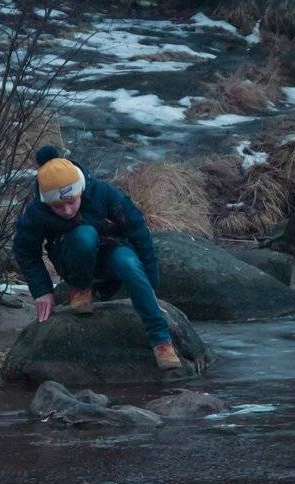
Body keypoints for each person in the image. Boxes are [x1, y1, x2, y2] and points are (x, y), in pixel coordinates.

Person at [11, 145, 182, 370]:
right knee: (85, 234)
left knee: (130, 265)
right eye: (58, 206)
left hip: (111, 248)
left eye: (71, 201)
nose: (67, 211)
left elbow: (138, 231)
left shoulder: (102, 192)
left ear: (80, 189)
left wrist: (150, 283)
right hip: (71, 255)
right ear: (46, 201)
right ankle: (81, 288)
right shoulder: (37, 211)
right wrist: (42, 290)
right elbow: (25, 251)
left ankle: (161, 341)